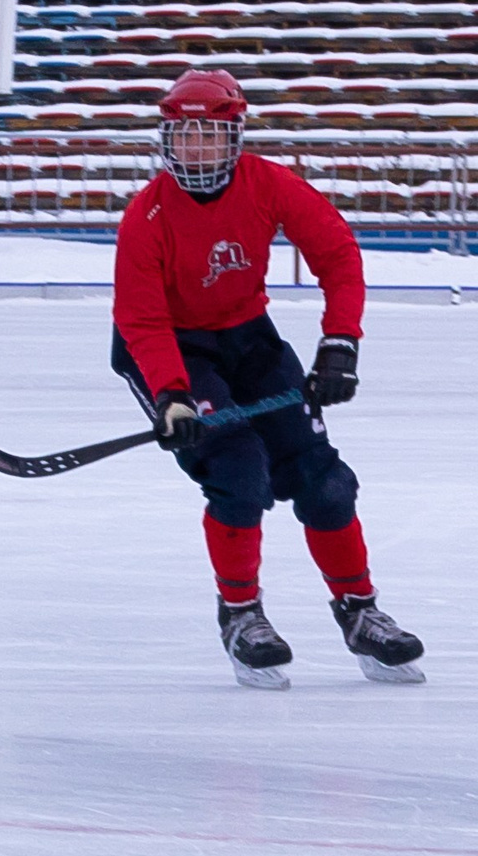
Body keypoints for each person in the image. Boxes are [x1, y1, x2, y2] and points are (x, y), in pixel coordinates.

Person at [112, 68, 424, 688]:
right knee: (237, 471)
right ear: (165, 141)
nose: (194, 149)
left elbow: (337, 254)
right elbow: (142, 320)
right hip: (173, 349)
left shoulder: (269, 185)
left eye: (209, 136)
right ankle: (240, 615)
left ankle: (360, 611)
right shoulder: (145, 217)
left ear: (236, 138)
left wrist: (340, 344)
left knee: (323, 479)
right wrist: (172, 395)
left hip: (249, 339)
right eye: (183, 136)